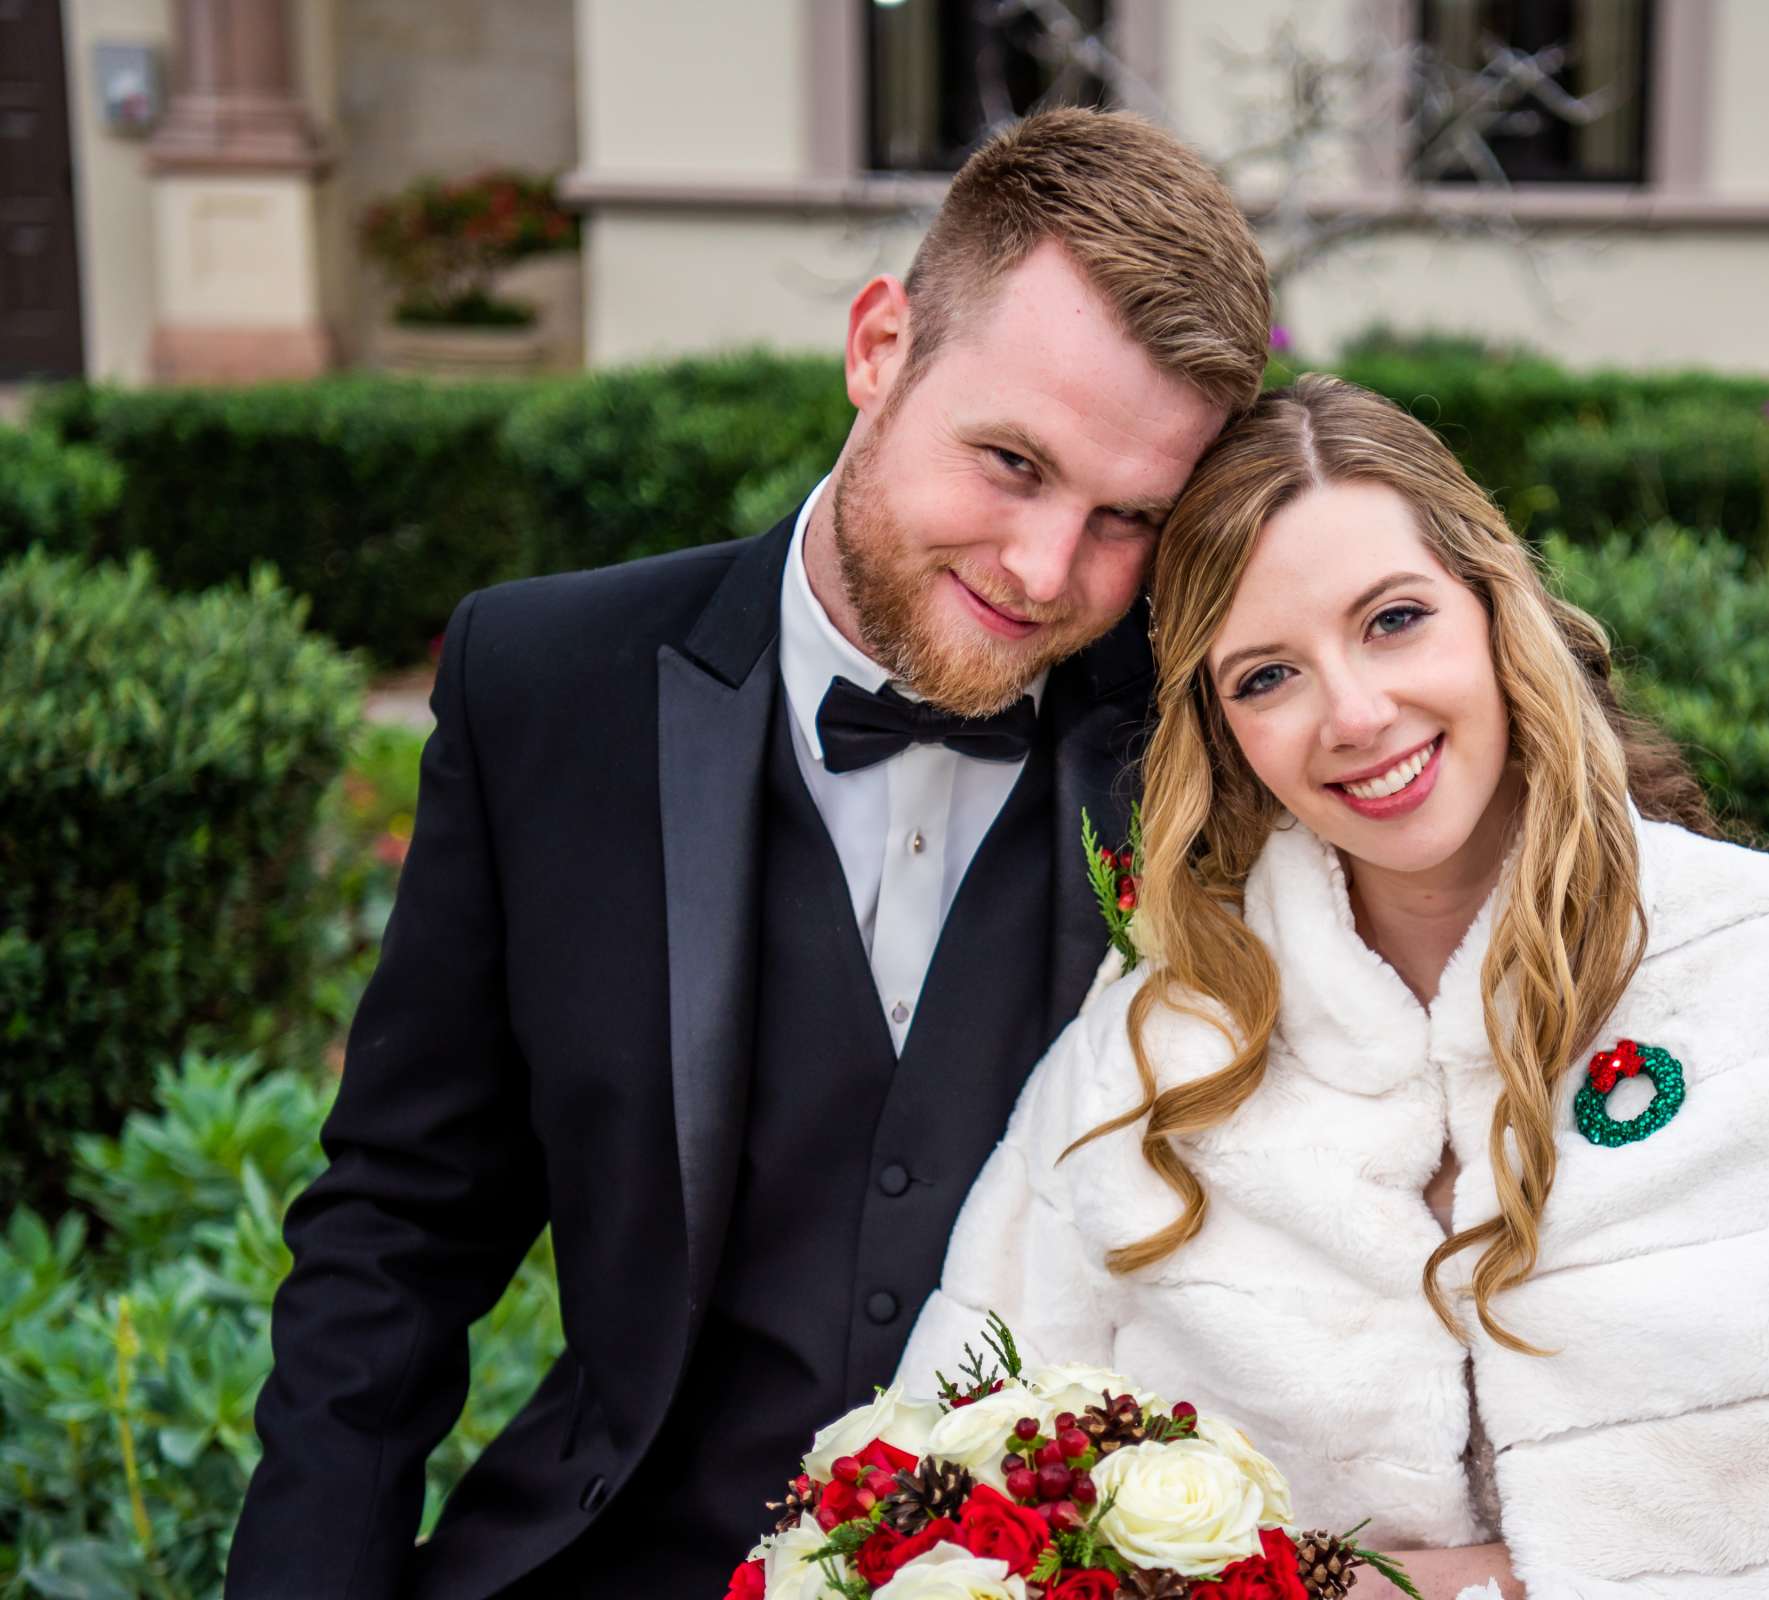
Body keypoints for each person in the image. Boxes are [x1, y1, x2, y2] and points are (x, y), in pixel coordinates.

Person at [227, 109, 1273, 1600]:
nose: (1047, 572)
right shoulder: (549, 683)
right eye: (1010, 463)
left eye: (1127, 520)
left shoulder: (1214, 737)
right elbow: (403, 1225)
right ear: (877, 349)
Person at [897, 376, 1769, 1599]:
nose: (1356, 714)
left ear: (1495, 605)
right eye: (1266, 676)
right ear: (1219, 729)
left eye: (1393, 620)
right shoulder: (1146, 1054)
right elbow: (955, 1511)